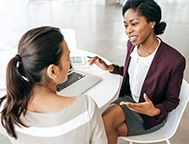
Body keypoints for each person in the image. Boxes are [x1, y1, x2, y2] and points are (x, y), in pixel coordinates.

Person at [89, 0, 186, 143]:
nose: (128, 30)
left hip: (149, 115)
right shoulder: (132, 45)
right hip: (129, 101)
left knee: (102, 129)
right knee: (100, 126)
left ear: (152, 22)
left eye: (134, 24)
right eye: (126, 25)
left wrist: (154, 110)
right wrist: (110, 68)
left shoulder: (174, 60)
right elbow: (133, 72)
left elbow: (172, 100)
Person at [0, 26, 107, 144]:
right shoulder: (86, 107)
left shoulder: (6, 110)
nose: (70, 63)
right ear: (52, 71)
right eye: (67, 58)